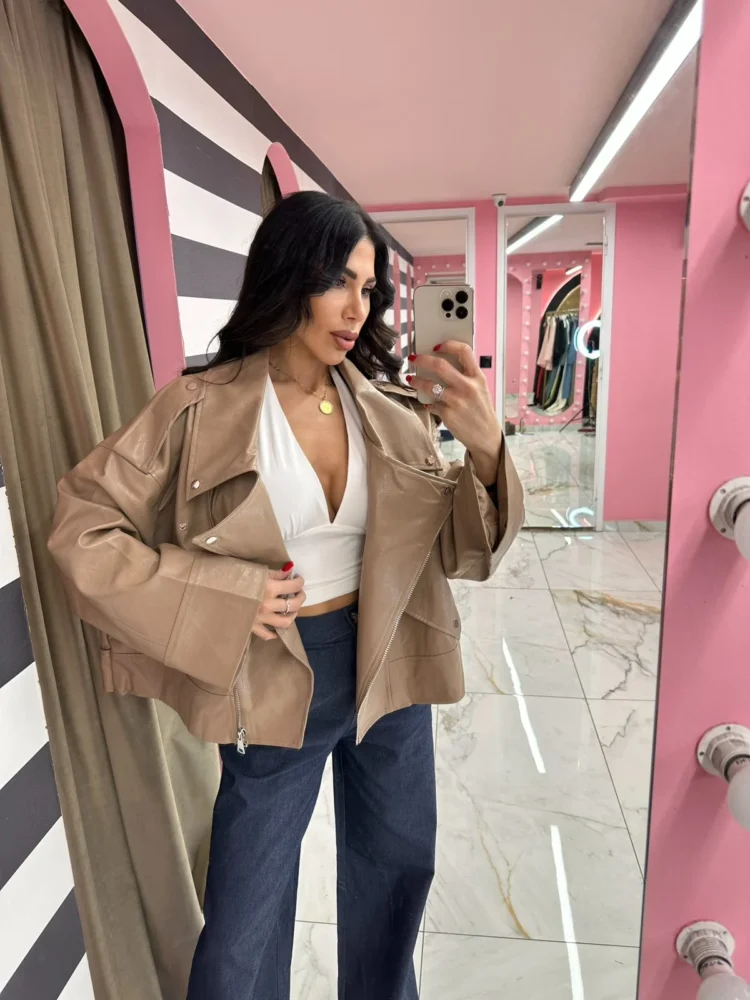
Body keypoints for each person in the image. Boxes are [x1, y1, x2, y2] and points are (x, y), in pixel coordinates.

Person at [48, 191, 523, 1000]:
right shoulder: (198, 408)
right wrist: (226, 593)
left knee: (396, 869)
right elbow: (81, 530)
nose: (356, 308)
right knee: (245, 913)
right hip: (279, 667)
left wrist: (484, 451)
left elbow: (459, 552)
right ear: (288, 273)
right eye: (338, 280)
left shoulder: (390, 412)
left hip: (390, 656)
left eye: (368, 288)